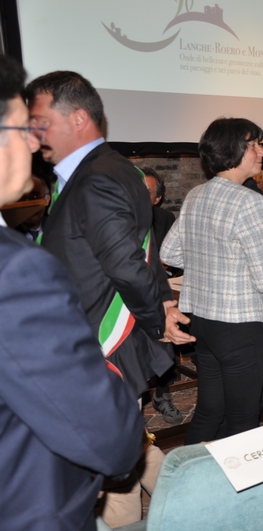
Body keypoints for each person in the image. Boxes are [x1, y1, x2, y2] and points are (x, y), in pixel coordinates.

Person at [27, 71, 194, 526]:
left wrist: (157, 316)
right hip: (100, 337)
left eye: (39, 120)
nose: (31, 132)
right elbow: (141, 251)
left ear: (78, 117)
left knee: (106, 468)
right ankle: (201, 502)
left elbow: (125, 261)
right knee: (128, 445)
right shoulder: (102, 170)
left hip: (102, 343)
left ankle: (194, 505)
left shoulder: (98, 177)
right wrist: (161, 303)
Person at [0, 54, 143, 531]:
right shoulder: (14, 270)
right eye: (25, 128)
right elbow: (104, 433)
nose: (34, 142)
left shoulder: (97, 174)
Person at [161, 118, 263, 443]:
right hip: (239, 327)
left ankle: (186, 483)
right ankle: (236, 493)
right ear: (234, 150)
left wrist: (210, 260)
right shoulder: (250, 201)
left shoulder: (196, 194)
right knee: (243, 419)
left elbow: (169, 252)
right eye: (254, 144)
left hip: (202, 322)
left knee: (210, 411)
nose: (262, 151)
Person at [141, 166, 183, 424]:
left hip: (159, 291)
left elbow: (176, 257)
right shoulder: (115, 217)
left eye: (146, 191)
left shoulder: (165, 218)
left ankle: (162, 393)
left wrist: (161, 263)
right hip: (127, 296)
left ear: (157, 198)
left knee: (167, 337)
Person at [14, 173, 49, 241]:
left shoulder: (57, 226)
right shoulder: (8, 232)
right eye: (22, 198)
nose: (28, 203)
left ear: (47, 199)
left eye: (35, 197)